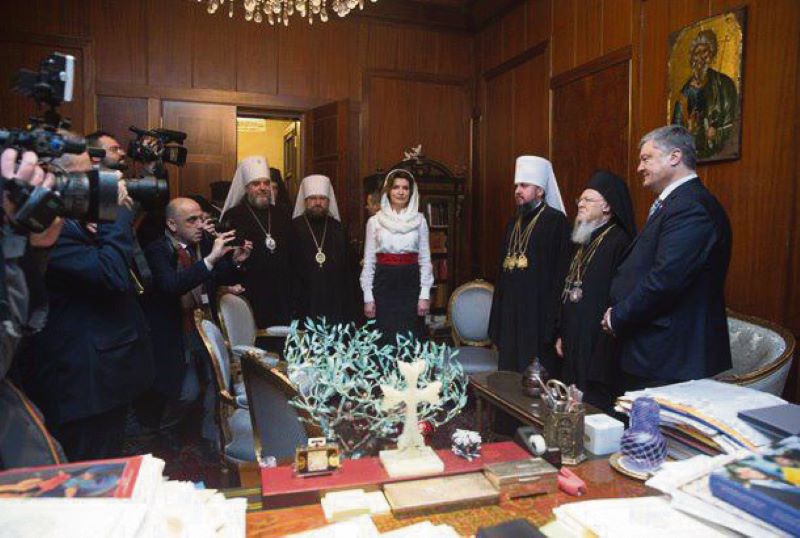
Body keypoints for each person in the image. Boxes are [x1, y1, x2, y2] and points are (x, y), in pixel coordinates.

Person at [21, 149, 154, 462]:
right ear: (55, 178)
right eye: (87, 176)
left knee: (107, 463)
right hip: (81, 385)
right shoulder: (44, 226)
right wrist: (115, 210)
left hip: (101, 379)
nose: (95, 183)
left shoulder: (70, 220)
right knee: (87, 474)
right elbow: (112, 274)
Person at [604, 125, 732, 390]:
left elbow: (666, 279)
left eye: (646, 158)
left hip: (671, 356)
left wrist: (619, 316)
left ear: (674, 157)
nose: (639, 167)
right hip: (654, 349)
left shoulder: (691, 206)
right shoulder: (677, 203)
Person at [140, 198, 251, 442]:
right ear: (172, 225)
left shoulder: (200, 245)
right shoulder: (157, 250)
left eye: (201, 218)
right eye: (192, 220)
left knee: (215, 382)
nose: (200, 225)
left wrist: (235, 261)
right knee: (186, 392)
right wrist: (210, 260)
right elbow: (171, 286)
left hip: (204, 325)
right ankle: (163, 434)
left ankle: (211, 438)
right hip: (176, 331)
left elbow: (217, 277)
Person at [552, 170, 635, 412]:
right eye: (580, 200)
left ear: (607, 207)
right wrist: (562, 332)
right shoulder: (583, 240)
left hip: (599, 342)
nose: (581, 204)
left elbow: (618, 299)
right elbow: (570, 289)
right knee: (571, 399)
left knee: (593, 406)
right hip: (574, 337)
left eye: (588, 200)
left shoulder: (619, 242)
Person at [489, 156, 569, 375]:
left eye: (524, 185)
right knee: (508, 379)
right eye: (516, 186)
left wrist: (554, 325)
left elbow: (560, 276)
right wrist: (497, 321)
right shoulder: (513, 223)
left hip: (537, 318)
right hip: (510, 316)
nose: (517, 191)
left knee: (533, 381)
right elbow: (501, 274)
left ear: (540, 190)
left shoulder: (556, 222)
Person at [360, 169, 433, 344]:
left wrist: (424, 295)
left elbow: (425, 259)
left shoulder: (420, 221)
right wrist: (368, 296)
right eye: (396, 187)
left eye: (405, 188)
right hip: (383, 284)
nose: (401, 192)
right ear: (388, 191)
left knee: (410, 338)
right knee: (383, 338)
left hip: (411, 285)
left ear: (411, 192)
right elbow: (369, 261)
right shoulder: (374, 222)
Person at [222, 156, 293, 329]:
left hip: (282, 295)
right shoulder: (233, 216)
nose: (262, 188)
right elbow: (225, 262)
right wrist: (236, 263)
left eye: (266, 183)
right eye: (256, 184)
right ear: (246, 188)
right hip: (249, 293)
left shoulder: (283, 214)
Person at [290, 174, 356, 324]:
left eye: (322, 199)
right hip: (303, 298)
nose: (318, 203)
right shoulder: (293, 227)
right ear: (305, 201)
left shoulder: (338, 228)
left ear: (328, 201)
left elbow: (347, 268)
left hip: (334, 298)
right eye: (313, 198)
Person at [671, 29, 738, 159]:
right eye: (697, 53)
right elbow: (675, 132)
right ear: (692, 58)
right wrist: (689, 131)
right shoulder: (685, 93)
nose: (700, 58)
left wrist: (716, 132)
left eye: (705, 52)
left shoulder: (724, 85)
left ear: (712, 55)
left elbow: (732, 124)